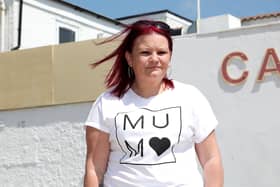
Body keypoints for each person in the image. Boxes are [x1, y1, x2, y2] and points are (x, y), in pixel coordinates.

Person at [84, 20, 224, 187]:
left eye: (162, 52)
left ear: (170, 56)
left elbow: (211, 159)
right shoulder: (107, 103)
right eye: (145, 52)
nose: (155, 59)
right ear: (129, 58)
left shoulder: (191, 97)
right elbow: (95, 168)